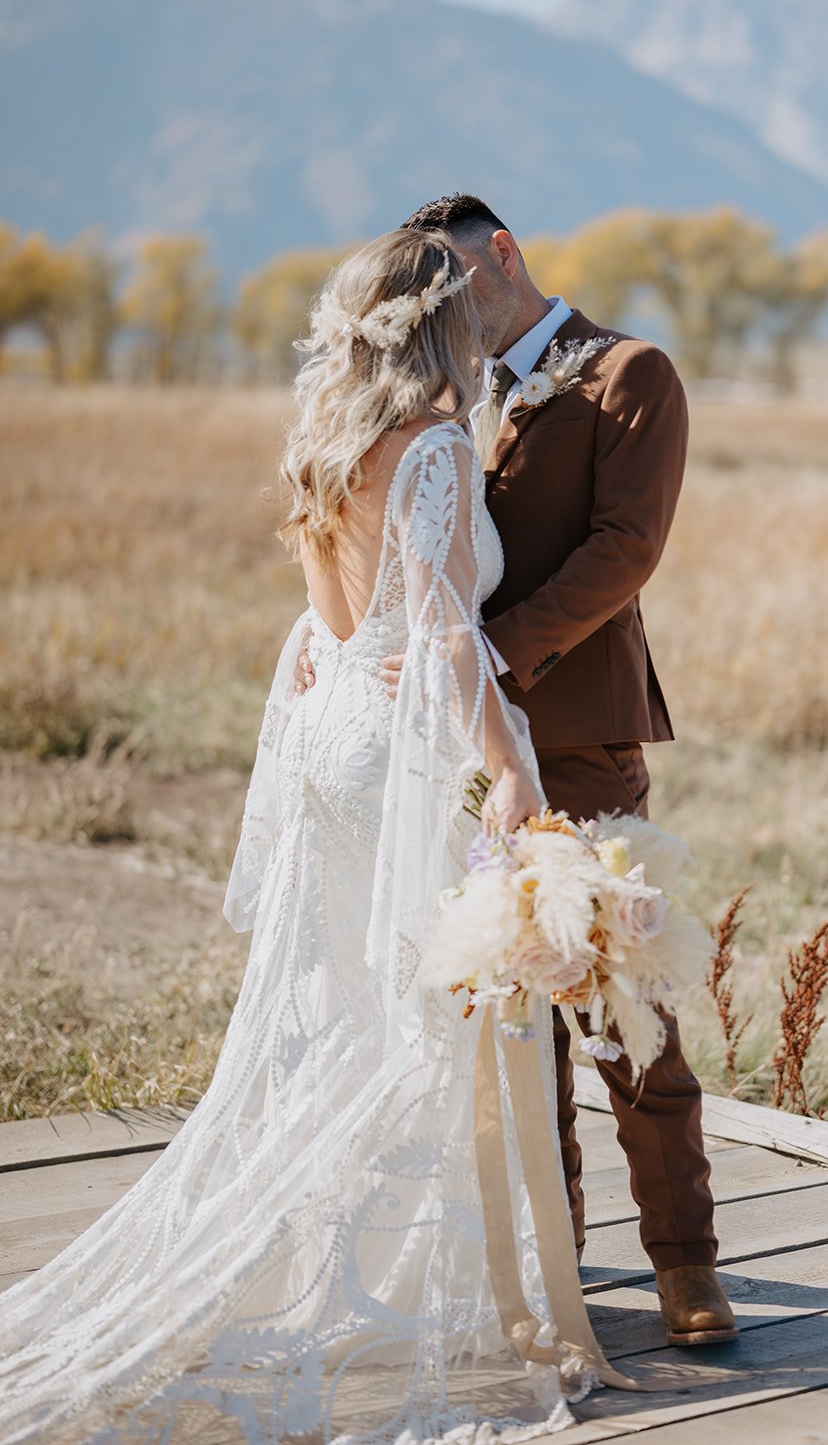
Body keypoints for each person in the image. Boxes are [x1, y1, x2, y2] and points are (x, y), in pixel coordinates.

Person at [0, 230, 599, 1444]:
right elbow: (439, 629)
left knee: (347, 1013)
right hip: (391, 753)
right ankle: (334, 1274)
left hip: (330, 732)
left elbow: (334, 620)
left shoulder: (330, 438)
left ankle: (344, 1274)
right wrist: (507, 765)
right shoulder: (431, 447)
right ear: (439, 328)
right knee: (410, 1030)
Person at [297, 195, 736, 1347]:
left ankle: (686, 1259)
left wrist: (493, 652)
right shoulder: (437, 401)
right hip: (444, 751)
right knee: (504, 1012)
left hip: (577, 729)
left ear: (504, 254)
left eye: (452, 284)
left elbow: (626, 549)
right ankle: (558, 1253)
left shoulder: (630, 374)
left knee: (620, 991)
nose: (440, 312)